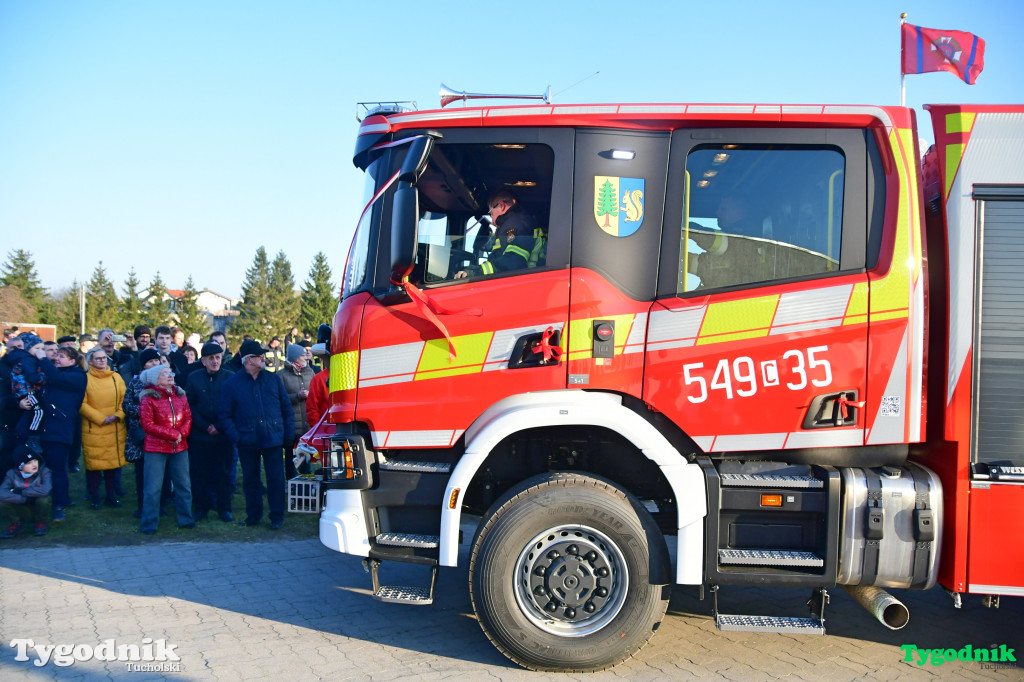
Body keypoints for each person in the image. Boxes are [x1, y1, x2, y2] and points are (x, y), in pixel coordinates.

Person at [218, 339, 293, 529]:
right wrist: (237, 437)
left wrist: (287, 435)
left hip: (273, 439)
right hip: (247, 440)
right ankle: (253, 515)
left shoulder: (273, 379)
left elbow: (286, 408)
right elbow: (224, 416)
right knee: (251, 480)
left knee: (275, 479)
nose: (263, 358)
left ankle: (277, 516)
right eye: (259, 356)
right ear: (249, 360)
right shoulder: (232, 384)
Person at [138, 365, 194, 534]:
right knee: (153, 487)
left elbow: (188, 417)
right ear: (156, 379)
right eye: (165, 374)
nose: (170, 376)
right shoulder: (148, 399)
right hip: (156, 447)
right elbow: (147, 424)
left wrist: (181, 434)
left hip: (180, 446)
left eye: (170, 373)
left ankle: (186, 519)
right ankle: (149, 523)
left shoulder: (180, 395)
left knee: (183, 484)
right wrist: (173, 434)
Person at [34, 346, 86, 522]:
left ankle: (59, 505)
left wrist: (42, 359)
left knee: (58, 470)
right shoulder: (53, 373)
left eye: (61, 356)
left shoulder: (77, 376)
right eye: (55, 355)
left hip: (59, 430)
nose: (56, 358)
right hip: (44, 428)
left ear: (72, 361)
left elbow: (57, 378)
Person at [185, 341, 235, 522]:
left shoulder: (230, 377)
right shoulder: (193, 377)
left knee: (223, 474)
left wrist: (219, 426)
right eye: (211, 358)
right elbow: (189, 406)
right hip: (200, 435)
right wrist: (206, 426)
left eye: (217, 357)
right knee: (199, 474)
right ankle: (201, 507)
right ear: (203, 361)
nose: (215, 361)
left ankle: (224, 508)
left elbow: (232, 405)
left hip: (223, 436)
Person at [79, 346, 127, 509]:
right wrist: (100, 418)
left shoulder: (116, 378)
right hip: (95, 428)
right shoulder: (85, 379)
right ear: (90, 361)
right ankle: (94, 497)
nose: (102, 360)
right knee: (94, 465)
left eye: (104, 358)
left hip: (114, 427)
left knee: (111, 466)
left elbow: (124, 399)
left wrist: (118, 415)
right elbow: (82, 403)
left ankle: (110, 495)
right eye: (98, 358)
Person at [455, 189, 538, 279]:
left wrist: (476, 272)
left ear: (501, 206)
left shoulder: (516, 224)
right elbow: (497, 258)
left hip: (526, 282)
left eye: (491, 214)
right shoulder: (515, 222)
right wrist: (473, 269)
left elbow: (513, 261)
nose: (492, 222)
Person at [122, 348, 164, 517]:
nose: (155, 364)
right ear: (144, 364)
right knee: (142, 473)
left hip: (161, 435)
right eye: (151, 361)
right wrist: (145, 411)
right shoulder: (135, 382)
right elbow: (126, 405)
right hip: (141, 435)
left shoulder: (165, 380)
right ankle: (142, 506)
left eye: (156, 361)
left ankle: (160, 506)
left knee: (161, 473)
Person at [0, 447, 53, 537]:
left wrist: (22, 492)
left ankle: (40, 523)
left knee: (44, 499)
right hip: (20, 506)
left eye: (35, 461)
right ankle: (16, 523)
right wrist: (23, 499)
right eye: (29, 463)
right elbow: (2, 493)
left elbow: (46, 489)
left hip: (37, 506)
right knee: (2, 503)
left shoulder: (44, 471)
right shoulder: (11, 474)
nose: (34, 465)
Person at [280, 344, 314, 479]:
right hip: (291, 425)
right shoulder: (281, 375)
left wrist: (310, 394)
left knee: (305, 455)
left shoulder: (310, 372)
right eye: (302, 355)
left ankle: (306, 480)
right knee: (291, 457)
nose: (305, 357)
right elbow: (280, 399)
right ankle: (291, 482)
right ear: (295, 358)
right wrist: (296, 397)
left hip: (307, 425)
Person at [9, 333, 47, 455]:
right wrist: (44, 375)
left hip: (25, 391)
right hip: (27, 392)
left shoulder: (27, 359)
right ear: (28, 348)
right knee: (39, 410)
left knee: (35, 411)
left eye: (42, 348)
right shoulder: (28, 360)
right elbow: (34, 378)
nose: (40, 351)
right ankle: (33, 436)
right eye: (36, 348)